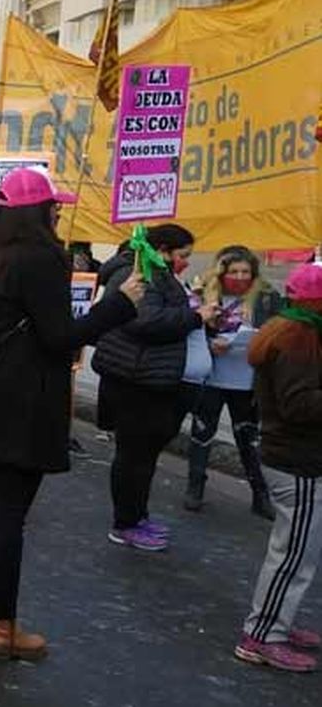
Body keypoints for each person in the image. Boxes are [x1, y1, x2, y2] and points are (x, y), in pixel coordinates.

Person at [0, 169, 142, 660]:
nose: (58, 212)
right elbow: (59, 337)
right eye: (54, 205)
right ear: (37, 211)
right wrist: (117, 306)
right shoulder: (40, 258)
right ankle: (2, 629)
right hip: (20, 400)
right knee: (6, 513)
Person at [92, 222, 215, 552]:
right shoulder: (137, 274)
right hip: (136, 380)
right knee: (134, 457)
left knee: (144, 456)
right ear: (161, 251)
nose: (185, 262)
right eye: (182, 255)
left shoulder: (159, 274)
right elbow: (144, 321)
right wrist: (195, 317)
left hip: (155, 379)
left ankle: (136, 515)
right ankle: (125, 523)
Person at [232, 263, 322, 672]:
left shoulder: (292, 329)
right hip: (297, 461)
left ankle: (276, 622)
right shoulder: (298, 338)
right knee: (293, 554)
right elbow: (299, 405)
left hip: (293, 457)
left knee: (297, 550)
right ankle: (264, 634)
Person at [182, 245, 284, 517]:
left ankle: (260, 495)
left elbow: (279, 333)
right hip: (210, 377)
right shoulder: (202, 294)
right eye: (234, 271)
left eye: (246, 272)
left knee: (249, 437)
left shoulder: (266, 298)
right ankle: (195, 487)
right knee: (202, 432)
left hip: (247, 380)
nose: (240, 277)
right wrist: (208, 341)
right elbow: (185, 327)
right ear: (221, 272)